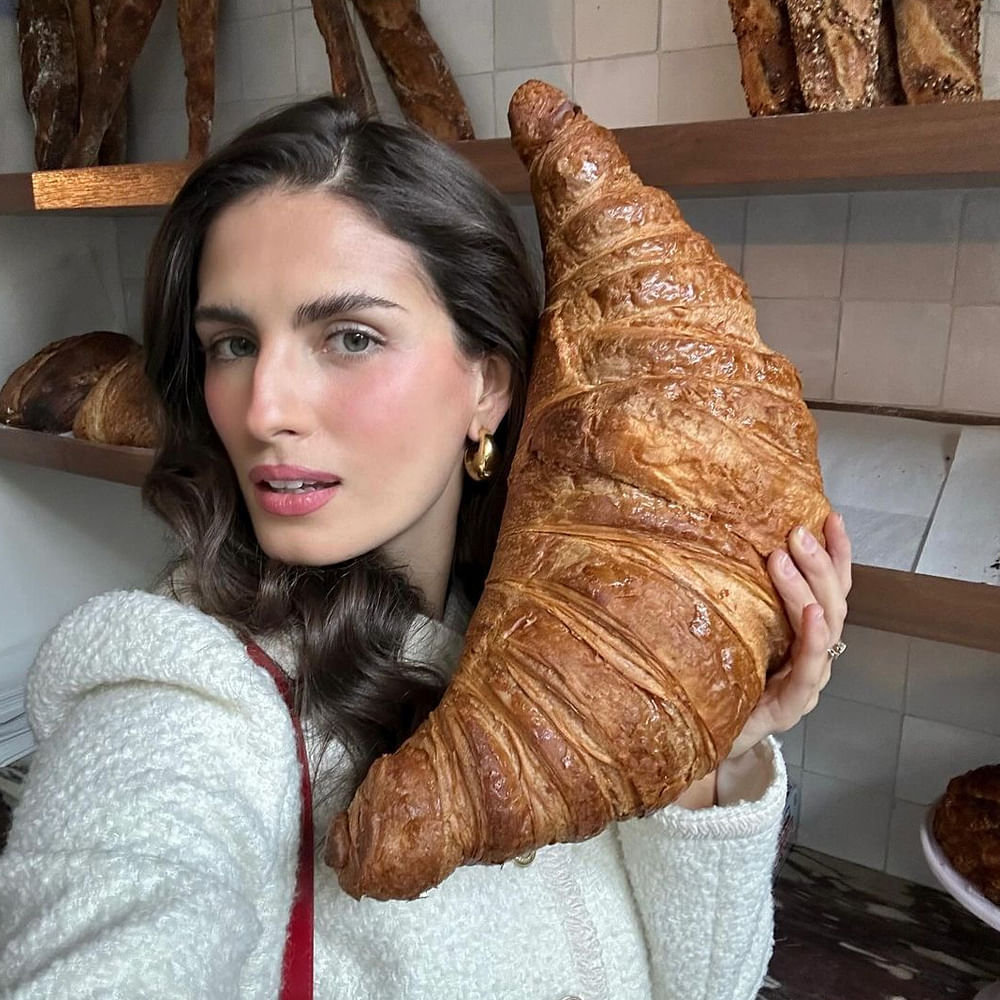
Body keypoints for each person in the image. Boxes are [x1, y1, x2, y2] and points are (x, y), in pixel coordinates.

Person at [0, 95, 852, 999]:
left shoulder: (550, 659)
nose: (264, 410)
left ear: (487, 384)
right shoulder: (181, 697)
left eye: (350, 337)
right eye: (234, 344)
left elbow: (703, 987)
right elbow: (118, 907)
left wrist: (706, 747)